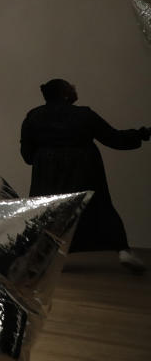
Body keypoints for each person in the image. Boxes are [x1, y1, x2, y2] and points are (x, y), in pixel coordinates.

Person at [20, 78, 150, 274]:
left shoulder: (34, 116)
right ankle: (123, 251)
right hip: (83, 170)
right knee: (100, 209)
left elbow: (27, 155)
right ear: (65, 94)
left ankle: (41, 258)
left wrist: (43, 158)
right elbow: (114, 138)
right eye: (72, 88)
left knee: (48, 215)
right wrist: (142, 134)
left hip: (47, 174)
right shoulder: (83, 115)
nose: (75, 90)